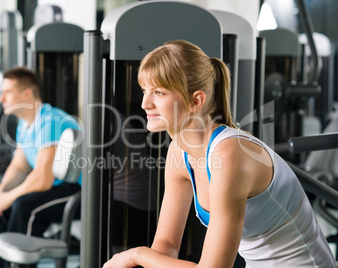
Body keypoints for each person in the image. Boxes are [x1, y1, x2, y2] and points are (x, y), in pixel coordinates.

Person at [103, 40, 335, 267]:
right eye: (145, 90)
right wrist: (140, 260)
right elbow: (166, 245)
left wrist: (137, 255)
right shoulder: (179, 152)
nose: (145, 103)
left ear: (196, 100)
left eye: (159, 92)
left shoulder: (229, 155)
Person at [0, 67, 81, 268]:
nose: (1, 99)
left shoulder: (50, 121)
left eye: (7, 92)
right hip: (53, 187)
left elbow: (43, 179)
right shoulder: (25, 125)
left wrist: (9, 197)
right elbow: (19, 166)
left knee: (24, 206)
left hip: (77, 192)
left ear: (26, 94)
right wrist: (0, 194)